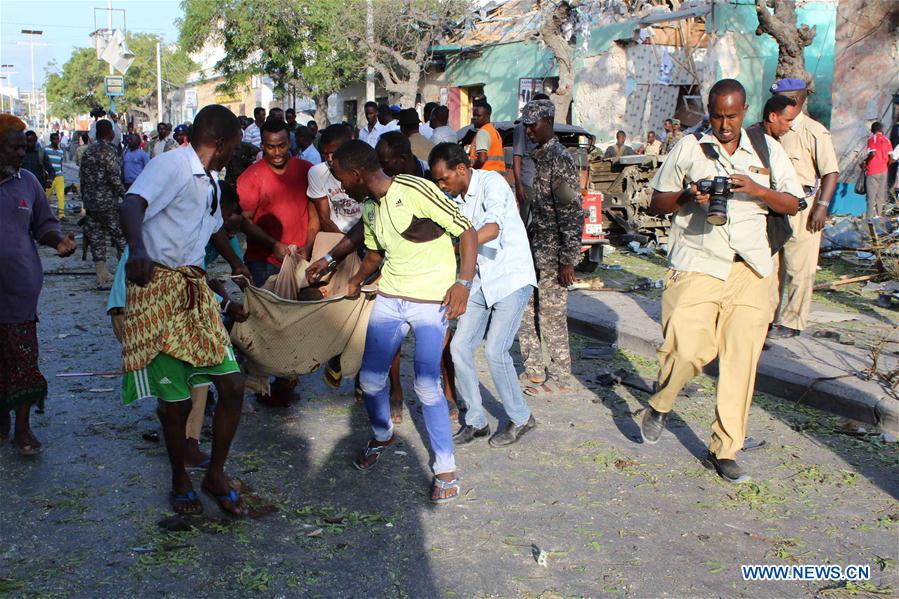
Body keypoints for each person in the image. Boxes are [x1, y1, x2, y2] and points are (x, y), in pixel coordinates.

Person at [639, 79, 803, 483]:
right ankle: (661, 402)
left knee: (740, 362)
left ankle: (725, 449)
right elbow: (656, 201)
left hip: (751, 269)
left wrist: (757, 189)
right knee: (688, 349)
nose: (724, 124)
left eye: (731, 116)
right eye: (717, 115)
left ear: (744, 111)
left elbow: (794, 202)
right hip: (698, 261)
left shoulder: (766, 150)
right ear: (708, 111)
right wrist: (685, 195)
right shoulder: (690, 148)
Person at [119, 104, 251, 517]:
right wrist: (138, 251)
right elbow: (131, 205)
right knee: (174, 402)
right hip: (157, 289)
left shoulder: (210, 179)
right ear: (220, 141)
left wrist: (236, 263)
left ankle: (215, 474)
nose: (234, 153)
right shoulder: (173, 165)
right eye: (233, 146)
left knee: (231, 384)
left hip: (193, 290)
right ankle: (179, 478)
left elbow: (213, 229)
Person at [329, 139, 477, 503]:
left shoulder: (416, 188)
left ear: (356, 173)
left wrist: (463, 284)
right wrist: (354, 279)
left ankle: (445, 467)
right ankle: (382, 435)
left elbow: (467, 231)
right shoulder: (369, 208)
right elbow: (376, 253)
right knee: (371, 378)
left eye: (341, 178)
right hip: (391, 298)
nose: (340, 187)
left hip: (431, 302)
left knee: (426, 385)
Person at [429, 142, 538, 446]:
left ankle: (522, 418)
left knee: (495, 350)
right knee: (460, 347)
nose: (441, 185)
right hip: (479, 281)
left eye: (443, 178)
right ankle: (476, 421)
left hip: (509, 278)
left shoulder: (492, 183)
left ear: (461, 169)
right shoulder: (454, 199)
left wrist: (462, 243)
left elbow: (494, 227)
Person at [0, 114, 77, 455]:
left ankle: (23, 429)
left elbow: (43, 224)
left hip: (19, 292)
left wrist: (58, 242)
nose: (21, 153)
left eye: (22, 147)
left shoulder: (28, 182)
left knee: (23, 360)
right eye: (13, 147)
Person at [237, 118, 319, 406]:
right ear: (263, 146)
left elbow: (314, 214)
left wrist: (308, 248)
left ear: (291, 143)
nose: (277, 152)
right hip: (263, 260)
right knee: (265, 322)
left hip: (299, 259)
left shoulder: (307, 171)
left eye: (282, 145)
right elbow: (242, 222)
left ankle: (286, 380)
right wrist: (274, 244)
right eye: (270, 147)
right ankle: (262, 380)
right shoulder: (251, 176)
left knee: (294, 321)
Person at [516, 99, 582, 396]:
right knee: (525, 311)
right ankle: (533, 370)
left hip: (553, 256)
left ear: (548, 123)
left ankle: (560, 376)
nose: (528, 130)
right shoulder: (537, 157)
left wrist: (568, 259)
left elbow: (571, 212)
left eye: (533, 124)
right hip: (532, 250)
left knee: (552, 317)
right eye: (526, 125)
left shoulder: (560, 159)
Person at [765, 79, 839, 339]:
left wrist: (822, 206)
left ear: (796, 100)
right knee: (770, 267)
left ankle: (793, 321)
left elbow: (830, 172)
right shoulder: (772, 128)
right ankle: (766, 318)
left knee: (799, 268)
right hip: (774, 203)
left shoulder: (814, 131)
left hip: (803, 206)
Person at [80, 119, 126, 288]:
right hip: (107, 202)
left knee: (96, 238)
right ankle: (125, 273)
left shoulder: (88, 151)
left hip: (91, 203)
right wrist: (125, 195)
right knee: (120, 236)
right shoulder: (109, 151)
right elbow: (114, 176)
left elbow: (82, 177)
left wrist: (84, 199)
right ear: (110, 133)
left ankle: (101, 274)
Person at [308, 124, 360, 234]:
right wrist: (344, 243)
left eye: (334, 153)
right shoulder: (317, 173)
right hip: (335, 233)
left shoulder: (363, 169)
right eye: (325, 154)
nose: (329, 159)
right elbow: (324, 218)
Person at [512, 93, 549, 224]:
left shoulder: (547, 127)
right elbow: (517, 157)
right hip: (528, 182)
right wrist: (519, 186)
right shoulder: (522, 127)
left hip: (545, 183)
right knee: (526, 224)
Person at [863, 121, 892, 219]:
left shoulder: (872, 139)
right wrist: (885, 165)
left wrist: (865, 162)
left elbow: (872, 154)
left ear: (873, 130)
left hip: (873, 170)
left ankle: (869, 219)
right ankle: (879, 218)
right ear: (881, 129)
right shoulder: (887, 140)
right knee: (880, 196)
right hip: (884, 170)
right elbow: (891, 157)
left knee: (871, 197)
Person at [469, 102, 505, 172]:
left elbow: (482, 159)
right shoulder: (494, 131)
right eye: (474, 115)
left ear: (487, 116)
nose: (474, 118)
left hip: (485, 174)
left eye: (478, 116)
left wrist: (472, 172)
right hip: (497, 175)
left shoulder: (483, 132)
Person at [44, 132, 67, 220]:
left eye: (57, 139)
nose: (56, 141)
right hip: (49, 177)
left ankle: (61, 215)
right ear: (51, 140)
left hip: (59, 176)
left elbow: (60, 163)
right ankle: (43, 214)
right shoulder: (46, 150)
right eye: (54, 139)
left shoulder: (61, 151)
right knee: (46, 196)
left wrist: (61, 171)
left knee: (61, 196)